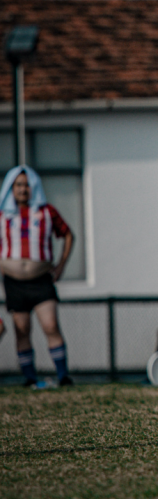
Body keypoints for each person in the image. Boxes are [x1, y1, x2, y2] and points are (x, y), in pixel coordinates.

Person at [0, 165, 75, 388]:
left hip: (41, 279)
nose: (23, 190)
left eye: (26, 185)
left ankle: (63, 376)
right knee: (21, 329)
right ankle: (30, 378)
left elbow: (68, 234)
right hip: (13, 282)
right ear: (11, 188)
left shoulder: (46, 212)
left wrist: (61, 265)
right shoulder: (3, 215)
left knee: (50, 325)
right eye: (18, 185)